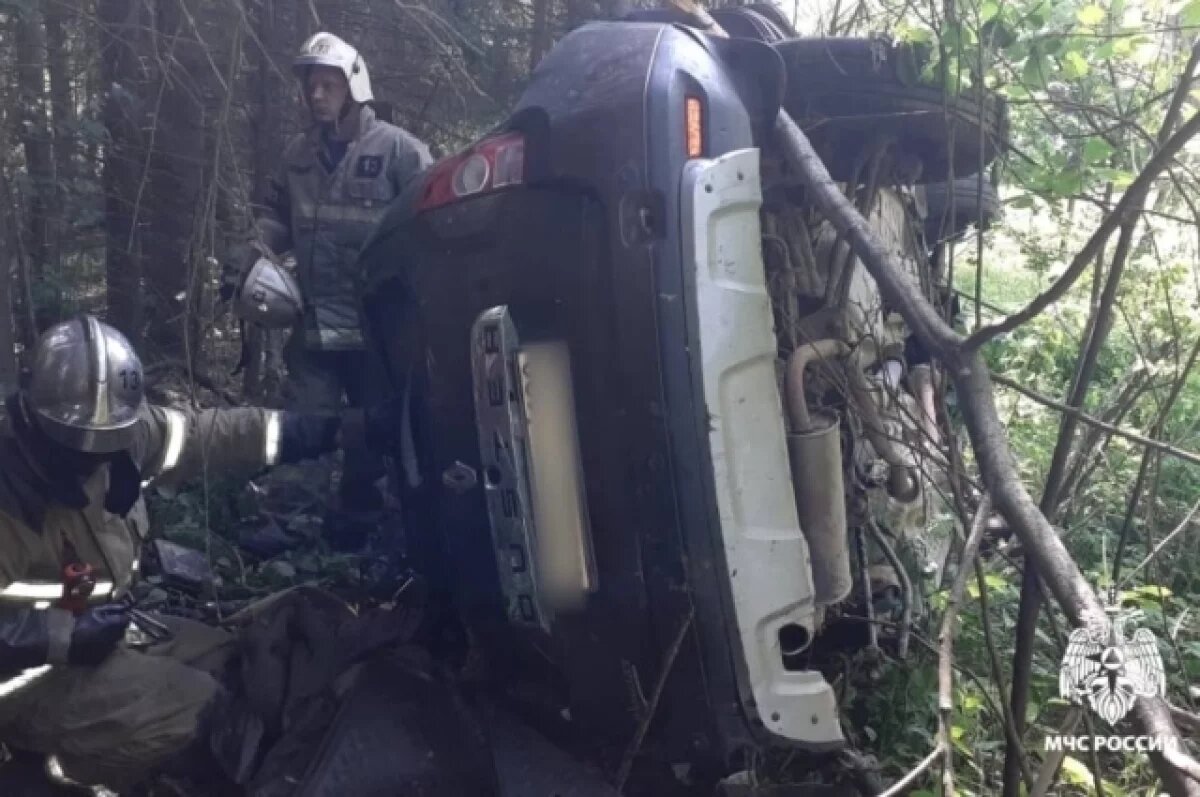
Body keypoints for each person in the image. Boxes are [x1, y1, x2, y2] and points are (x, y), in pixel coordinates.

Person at [0, 315, 400, 793]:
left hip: (103, 634)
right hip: (24, 679)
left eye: (106, 443)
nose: (94, 458)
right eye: (78, 446)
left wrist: (331, 431)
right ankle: (57, 773)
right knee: (208, 717)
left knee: (243, 666)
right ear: (34, 416)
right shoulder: (9, 495)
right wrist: (63, 638)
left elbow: (208, 436)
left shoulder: (122, 436)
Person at [223, 31, 434, 549]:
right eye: (310, 86)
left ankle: (370, 525)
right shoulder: (297, 156)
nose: (317, 95)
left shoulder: (399, 150)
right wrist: (246, 257)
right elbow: (275, 216)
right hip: (314, 324)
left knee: (376, 429)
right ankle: (293, 525)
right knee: (304, 426)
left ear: (352, 86)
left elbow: (430, 222)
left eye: (327, 85)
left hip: (377, 330)